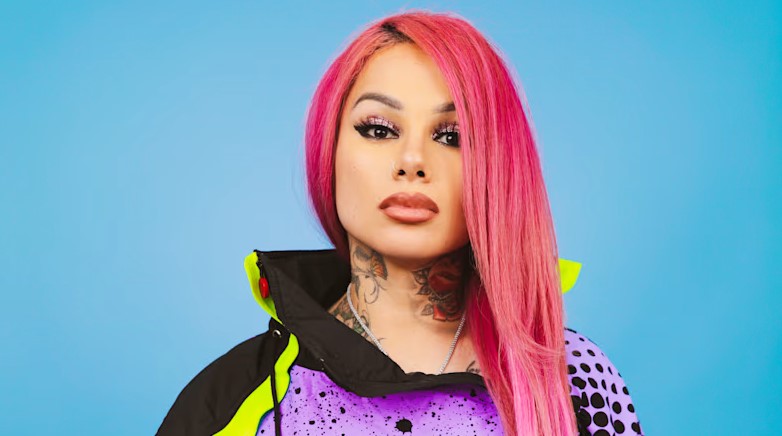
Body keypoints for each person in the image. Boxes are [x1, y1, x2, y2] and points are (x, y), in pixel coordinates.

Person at [158, 10, 643, 436]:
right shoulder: (233, 399)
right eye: (378, 129)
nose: (413, 160)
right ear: (329, 151)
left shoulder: (574, 379)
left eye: (452, 136)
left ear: (500, 167)